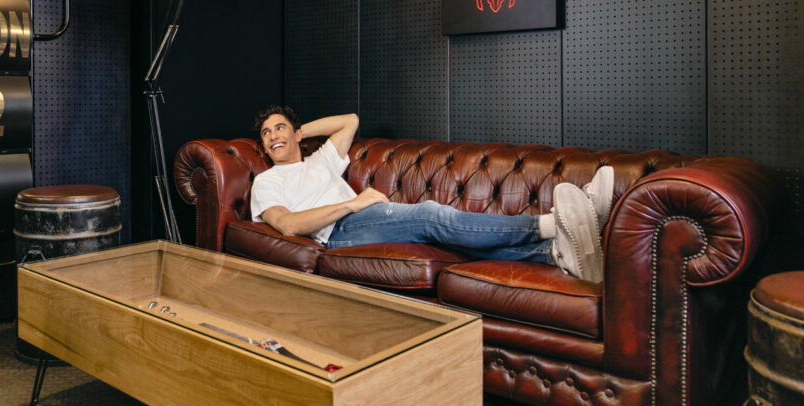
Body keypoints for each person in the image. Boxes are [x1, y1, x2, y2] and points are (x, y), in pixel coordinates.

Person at [249, 105, 615, 283]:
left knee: (449, 243)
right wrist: (351, 203)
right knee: (432, 214)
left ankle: (556, 253)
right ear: (262, 148)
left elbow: (351, 120)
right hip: (341, 230)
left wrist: (295, 131)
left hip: (360, 218)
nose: (273, 136)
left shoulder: (320, 160)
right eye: (266, 134)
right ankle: (554, 224)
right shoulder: (267, 182)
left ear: (297, 134)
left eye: (279, 128)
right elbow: (290, 225)